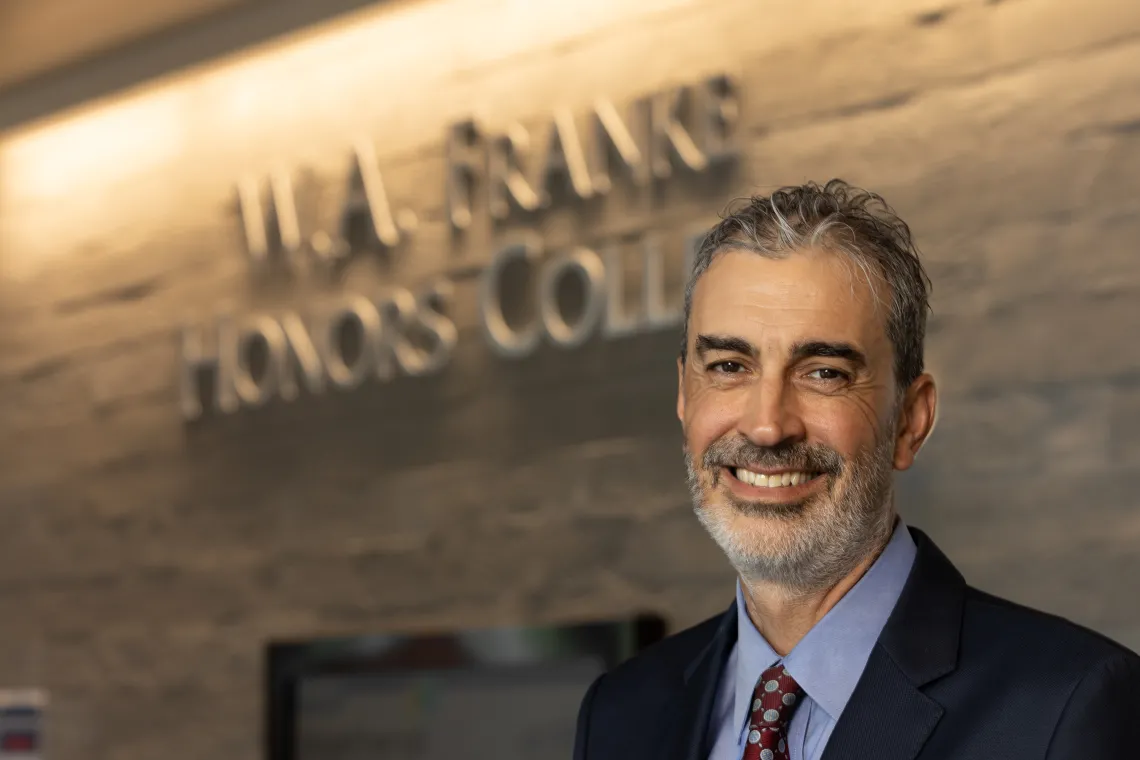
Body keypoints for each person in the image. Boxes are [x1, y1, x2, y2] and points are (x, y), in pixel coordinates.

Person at [572, 180, 1140, 760]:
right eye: (728, 365)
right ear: (684, 397)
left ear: (910, 421)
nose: (768, 426)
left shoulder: (1069, 708)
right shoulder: (621, 715)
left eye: (824, 373)